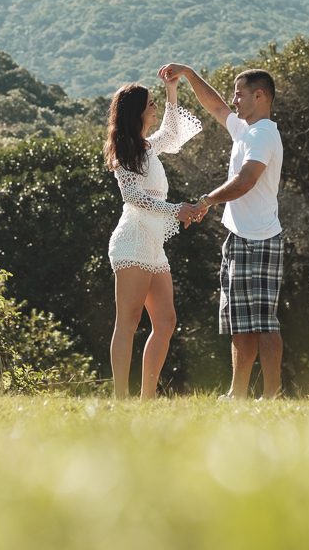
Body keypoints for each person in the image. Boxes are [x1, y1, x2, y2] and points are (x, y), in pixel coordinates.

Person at [158, 63, 284, 399]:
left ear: (260, 96)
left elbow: (246, 181)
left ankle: (272, 395)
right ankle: (237, 394)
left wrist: (205, 201)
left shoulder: (262, 135)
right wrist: (188, 74)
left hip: (260, 240)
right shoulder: (245, 130)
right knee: (240, 322)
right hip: (239, 239)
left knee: (264, 321)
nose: (234, 100)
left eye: (240, 94)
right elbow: (215, 106)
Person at [105, 77, 205, 399]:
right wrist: (176, 210)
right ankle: (121, 399)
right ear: (136, 111)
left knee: (166, 321)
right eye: (151, 103)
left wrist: (171, 89)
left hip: (152, 244)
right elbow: (132, 197)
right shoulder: (124, 150)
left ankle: (147, 399)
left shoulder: (149, 147)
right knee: (128, 322)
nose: (156, 106)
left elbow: (172, 133)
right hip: (132, 240)